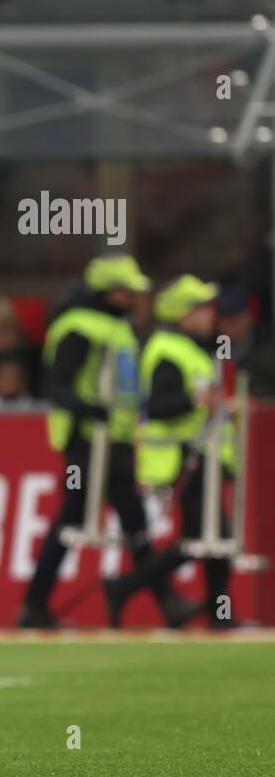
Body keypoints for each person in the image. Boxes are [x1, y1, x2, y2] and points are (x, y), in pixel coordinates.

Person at [19, 255, 192, 629]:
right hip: (86, 441)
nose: (134, 297)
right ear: (108, 291)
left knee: (131, 518)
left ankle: (159, 598)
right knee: (75, 515)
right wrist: (88, 410)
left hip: (113, 441)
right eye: (127, 290)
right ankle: (34, 605)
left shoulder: (116, 328)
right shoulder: (80, 327)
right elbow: (57, 383)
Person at [104, 276, 238, 629]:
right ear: (183, 314)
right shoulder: (167, 350)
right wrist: (199, 400)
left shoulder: (193, 348)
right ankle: (126, 588)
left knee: (211, 539)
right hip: (183, 460)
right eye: (201, 308)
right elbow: (160, 406)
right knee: (204, 540)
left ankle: (216, 615)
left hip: (200, 458)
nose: (210, 315)